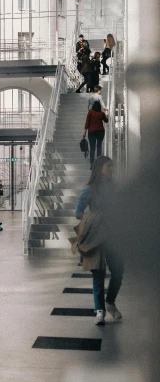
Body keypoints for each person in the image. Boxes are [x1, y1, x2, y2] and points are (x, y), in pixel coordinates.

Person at [74, 156, 123, 325]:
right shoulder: (90, 189)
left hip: (115, 235)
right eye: (109, 166)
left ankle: (110, 302)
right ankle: (99, 310)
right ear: (100, 168)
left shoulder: (116, 187)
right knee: (98, 272)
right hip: (97, 236)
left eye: (112, 167)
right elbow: (78, 212)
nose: (111, 169)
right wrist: (95, 218)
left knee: (118, 271)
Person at [84, 100, 108, 170]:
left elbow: (87, 122)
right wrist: (107, 115)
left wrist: (84, 132)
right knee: (99, 147)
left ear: (93, 106)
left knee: (92, 147)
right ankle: (99, 164)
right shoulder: (101, 113)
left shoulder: (90, 112)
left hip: (91, 132)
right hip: (100, 131)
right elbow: (106, 120)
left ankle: (92, 163)